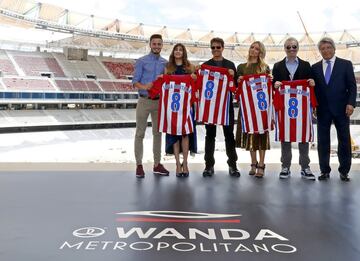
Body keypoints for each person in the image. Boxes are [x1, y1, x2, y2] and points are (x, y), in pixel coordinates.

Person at [311, 37, 357, 181]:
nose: (326, 51)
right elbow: (314, 90)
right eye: (323, 49)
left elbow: (352, 86)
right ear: (320, 51)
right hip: (323, 110)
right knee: (323, 141)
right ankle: (324, 170)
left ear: (334, 48)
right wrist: (314, 106)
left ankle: (344, 171)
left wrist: (351, 103)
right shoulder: (315, 67)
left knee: (344, 141)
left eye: (328, 48)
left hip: (342, 109)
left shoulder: (346, 64)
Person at [272, 37, 316, 180]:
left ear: (298, 48)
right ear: (285, 49)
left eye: (294, 47)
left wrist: (312, 82)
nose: (291, 49)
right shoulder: (277, 66)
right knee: (285, 136)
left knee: (303, 136)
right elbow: (273, 84)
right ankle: (285, 166)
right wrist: (275, 84)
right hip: (285, 107)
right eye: (289, 47)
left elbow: (311, 85)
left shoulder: (306, 65)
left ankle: (305, 166)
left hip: (302, 107)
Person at [132, 34, 169, 178]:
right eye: (154, 44)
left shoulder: (165, 63)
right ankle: (139, 165)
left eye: (159, 44)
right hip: (144, 100)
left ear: (162, 46)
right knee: (140, 133)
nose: (157, 46)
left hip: (159, 102)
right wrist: (144, 86)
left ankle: (157, 164)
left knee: (158, 134)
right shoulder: (141, 61)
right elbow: (135, 82)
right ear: (150, 44)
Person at [202, 37, 240, 177]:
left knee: (229, 136)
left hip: (226, 106)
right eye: (213, 47)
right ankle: (209, 166)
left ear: (223, 48)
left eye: (218, 47)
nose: (215, 50)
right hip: (210, 106)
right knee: (209, 136)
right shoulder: (205, 65)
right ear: (210, 49)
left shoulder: (230, 65)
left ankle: (233, 165)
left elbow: (235, 87)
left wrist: (233, 75)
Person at [235, 41, 271, 178]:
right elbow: (237, 89)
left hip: (261, 108)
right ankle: (253, 162)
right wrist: (238, 81)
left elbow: (269, 89)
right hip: (247, 108)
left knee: (261, 135)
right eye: (252, 47)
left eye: (257, 49)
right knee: (250, 134)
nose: (253, 50)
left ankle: (261, 164)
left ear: (260, 52)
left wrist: (271, 80)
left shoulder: (265, 68)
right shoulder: (241, 67)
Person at [163, 43, 197, 177]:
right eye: (176, 50)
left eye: (180, 50)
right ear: (173, 52)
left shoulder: (190, 67)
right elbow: (164, 85)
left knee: (185, 134)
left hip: (187, 107)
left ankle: (186, 162)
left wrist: (194, 78)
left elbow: (195, 86)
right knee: (174, 135)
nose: (178, 52)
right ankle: (177, 164)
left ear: (184, 52)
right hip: (172, 107)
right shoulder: (168, 68)